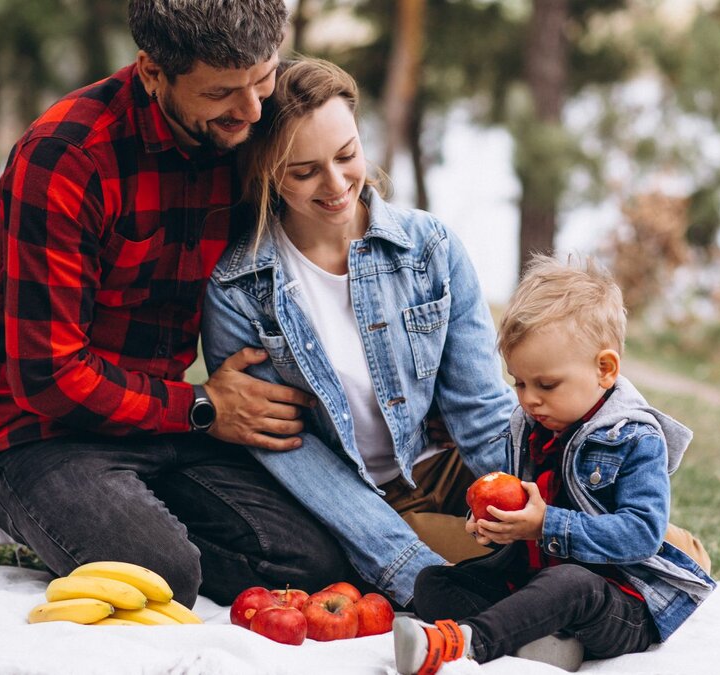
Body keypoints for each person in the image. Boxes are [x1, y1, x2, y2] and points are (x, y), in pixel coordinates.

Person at [0, 0, 353, 609]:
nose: (253, 111)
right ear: (153, 72)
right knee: (159, 577)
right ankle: (2, 506)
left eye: (263, 78)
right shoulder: (67, 159)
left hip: (159, 419)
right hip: (32, 429)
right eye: (223, 93)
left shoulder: (246, 133)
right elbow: (49, 375)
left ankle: (103, 514)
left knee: (313, 563)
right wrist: (204, 407)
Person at [199, 57, 517, 607]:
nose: (337, 184)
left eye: (347, 155)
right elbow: (288, 451)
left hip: (447, 468)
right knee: (499, 576)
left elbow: (484, 415)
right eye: (304, 171)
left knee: (654, 548)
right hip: (366, 504)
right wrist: (405, 563)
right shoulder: (237, 289)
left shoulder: (431, 249)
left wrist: (554, 511)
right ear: (267, 173)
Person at [392, 255, 716, 673]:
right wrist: (497, 531)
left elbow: (642, 534)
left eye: (546, 385)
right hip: (536, 580)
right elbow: (524, 515)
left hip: (616, 602)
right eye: (519, 383)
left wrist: (546, 525)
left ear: (604, 369)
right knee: (433, 581)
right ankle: (541, 639)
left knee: (570, 584)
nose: (529, 399)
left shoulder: (636, 438)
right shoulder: (528, 427)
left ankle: (465, 643)